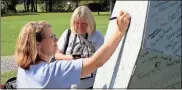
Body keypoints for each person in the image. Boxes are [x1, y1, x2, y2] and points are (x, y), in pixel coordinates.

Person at [15, 10, 130, 88]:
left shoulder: (22, 70)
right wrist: (119, 32)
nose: (57, 39)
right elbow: (96, 62)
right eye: (51, 36)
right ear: (37, 44)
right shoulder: (52, 72)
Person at [55, 6, 104, 89]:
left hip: (90, 86)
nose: (80, 27)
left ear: (90, 22)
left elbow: (103, 59)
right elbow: (57, 55)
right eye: (76, 23)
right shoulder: (68, 34)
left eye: (84, 23)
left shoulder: (97, 36)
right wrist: (73, 58)